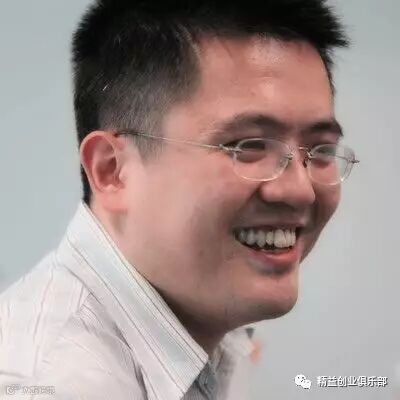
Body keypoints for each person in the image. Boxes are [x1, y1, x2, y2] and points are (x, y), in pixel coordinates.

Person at [0, 0, 359, 399]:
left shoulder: (213, 336)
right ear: (112, 170)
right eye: (248, 146)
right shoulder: (48, 383)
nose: (300, 190)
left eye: (322, 150)